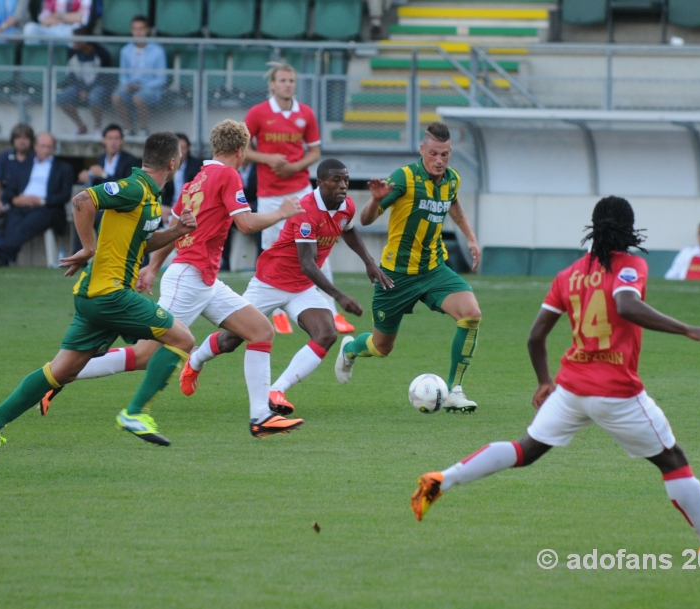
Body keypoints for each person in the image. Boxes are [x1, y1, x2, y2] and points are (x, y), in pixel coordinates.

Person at [409, 196, 700, 559]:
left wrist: (544, 381)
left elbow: (535, 336)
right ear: (629, 230)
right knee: (673, 461)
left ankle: (441, 479)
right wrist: (687, 329)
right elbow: (625, 303)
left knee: (525, 450)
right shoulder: (631, 265)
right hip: (616, 392)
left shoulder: (569, 274)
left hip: (571, 388)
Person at [38, 120, 306, 438]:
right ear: (241, 150)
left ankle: (261, 417)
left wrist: (153, 267)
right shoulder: (227, 174)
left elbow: (177, 225)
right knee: (144, 355)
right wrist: (282, 212)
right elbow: (245, 224)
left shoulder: (198, 178)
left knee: (261, 330)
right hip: (190, 278)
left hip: (202, 278)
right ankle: (57, 376)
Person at [0, 132, 198, 464]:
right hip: (109, 294)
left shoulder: (148, 197)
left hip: (98, 297)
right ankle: (135, 413)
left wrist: (177, 232)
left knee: (61, 371)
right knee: (183, 339)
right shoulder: (134, 188)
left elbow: (138, 244)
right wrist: (88, 247)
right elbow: (82, 200)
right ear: (173, 162)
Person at [181, 158, 394, 415]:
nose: (343, 186)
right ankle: (195, 360)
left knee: (326, 334)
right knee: (231, 340)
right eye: (336, 180)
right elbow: (308, 264)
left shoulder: (345, 206)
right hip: (269, 282)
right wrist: (339, 296)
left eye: (346, 180)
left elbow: (348, 229)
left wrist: (369, 263)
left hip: (301, 287)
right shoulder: (305, 210)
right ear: (320, 183)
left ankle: (276, 390)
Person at [335, 122, 482, 411]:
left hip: (433, 270)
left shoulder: (452, 179)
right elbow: (366, 219)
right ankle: (350, 349)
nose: (440, 160)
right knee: (381, 347)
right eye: (435, 154)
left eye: (446, 154)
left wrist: (471, 238)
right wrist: (376, 200)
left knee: (471, 314)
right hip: (395, 276)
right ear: (422, 150)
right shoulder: (404, 178)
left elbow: (454, 204)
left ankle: (455, 390)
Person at [244, 62, 353, 336]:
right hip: (269, 193)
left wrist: (294, 167)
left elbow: (315, 153)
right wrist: (267, 157)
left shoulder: (305, 113)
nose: (287, 84)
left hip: (302, 190)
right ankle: (279, 314)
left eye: (291, 80)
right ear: (272, 84)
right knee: (273, 250)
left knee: (318, 250)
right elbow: (241, 150)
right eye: (282, 80)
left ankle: (332, 311)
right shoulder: (257, 113)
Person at [0, 132, 73, 266]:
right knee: (12, 216)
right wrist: (15, 200)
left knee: (31, 221)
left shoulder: (63, 168)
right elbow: (9, 190)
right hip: (20, 205)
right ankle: (1, 259)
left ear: (54, 149)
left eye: (49, 147)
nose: (46, 150)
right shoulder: (24, 166)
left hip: (47, 208)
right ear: (35, 147)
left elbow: (65, 195)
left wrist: (40, 201)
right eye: (43, 146)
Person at [73, 124, 140, 252]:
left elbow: (126, 188)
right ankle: (78, 256)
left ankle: (100, 256)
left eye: (116, 138)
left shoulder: (131, 161)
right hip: (101, 205)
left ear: (122, 141)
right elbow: (96, 184)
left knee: (95, 218)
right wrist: (87, 176)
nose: (113, 142)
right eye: (110, 138)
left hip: (119, 206)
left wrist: (104, 175)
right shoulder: (101, 158)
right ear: (104, 140)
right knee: (81, 212)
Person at [0, 123, 34, 253]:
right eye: (18, 138)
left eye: (25, 138)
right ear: (13, 140)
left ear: (31, 141)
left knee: (16, 218)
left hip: (28, 201)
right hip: (7, 199)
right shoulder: (5, 157)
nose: (22, 141)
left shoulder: (36, 159)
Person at [111, 15, 167, 137]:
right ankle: (128, 129)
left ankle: (143, 129)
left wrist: (142, 86)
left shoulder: (158, 51)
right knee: (116, 96)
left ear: (147, 30)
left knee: (138, 97)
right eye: (135, 29)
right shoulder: (125, 50)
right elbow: (123, 74)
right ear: (131, 31)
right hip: (129, 87)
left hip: (150, 89)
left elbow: (161, 79)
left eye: (141, 29)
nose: (138, 32)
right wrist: (126, 85)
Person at [58, 26, 112, 135]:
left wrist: (87, 90)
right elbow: (71, 75)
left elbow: (105, 78)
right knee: (62, 98)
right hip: (79, 87)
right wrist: (82, 89)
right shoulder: (72, 53)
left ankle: (97, 128)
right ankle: (81, 127)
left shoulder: (102, 54)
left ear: (84, 40)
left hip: (99, 86)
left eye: (75, 40)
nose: (72, 43)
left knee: (94, 96)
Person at [161, 133, 200, 224]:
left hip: (189, 210)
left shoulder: (195, 166)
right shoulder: (165, 165)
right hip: (169, 208)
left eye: (183, 148)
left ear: (188, 149)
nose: (180, 152)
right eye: (178, 148)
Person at [23, 0, 91, 43]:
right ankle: (35, 63)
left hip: (71, 31)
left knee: (77, 35)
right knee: (30, 28)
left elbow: (82, 18)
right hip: (51, 30)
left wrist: (58, 15)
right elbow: (43, 20)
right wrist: (69, 18)